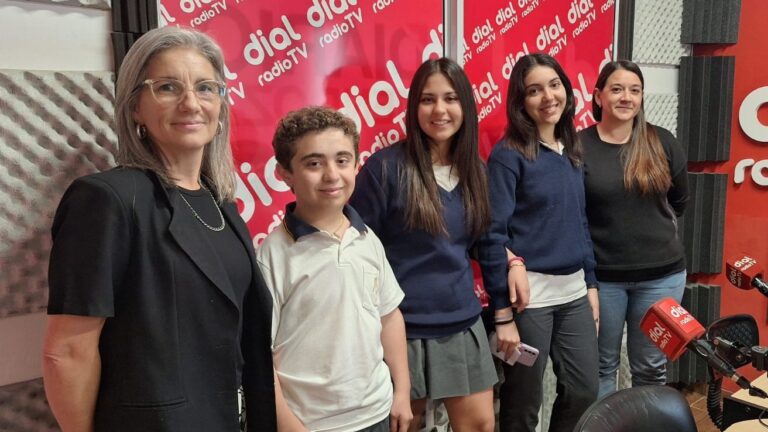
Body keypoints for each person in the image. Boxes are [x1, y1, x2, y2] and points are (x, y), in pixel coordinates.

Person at [42, 27, 276, 431]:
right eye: (167, 87)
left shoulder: (222, 205)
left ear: (221, 106)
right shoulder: (106, 199)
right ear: (135, 107)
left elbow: (248, 352)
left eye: (206, 88)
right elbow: (66, 352)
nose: (190, 103)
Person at [350, 58, 496, 432]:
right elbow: (358, 250)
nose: (440, 110)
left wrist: (511, 270)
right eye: (428, 100)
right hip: (402, 329)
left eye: (450, 98)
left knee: (480, 424)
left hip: (461, 322)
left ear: (465, 106)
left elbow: (485, 241)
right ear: (414, 107)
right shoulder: (385, 169)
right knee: (404, 425)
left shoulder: (476, 171)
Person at [258, 106, 412, 432]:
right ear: (285, 172)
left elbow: (389, 316)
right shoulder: (272, 256)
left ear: (356, 165)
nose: (331, 174)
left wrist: (401, 392)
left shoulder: (367, 239)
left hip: (376, 412)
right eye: (314, 163)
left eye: (342, 160)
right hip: (311, 423)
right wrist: (288, 425)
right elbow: (260, 355)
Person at [478, 53, 599, 432]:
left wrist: (591, 284)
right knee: (523, 402)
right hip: (528, 302)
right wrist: (503, 315)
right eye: (534, 90)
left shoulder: (571, 148)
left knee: (584, 391)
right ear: (521, 101)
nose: (548, 96)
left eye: (554, 84)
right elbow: (491, 235)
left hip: (575, 294)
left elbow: (580, 221)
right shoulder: (509, 156)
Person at [580, 60, 688, 399]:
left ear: (641, 97)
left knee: (651, 368)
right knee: (601, 367)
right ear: (598, 96)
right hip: (602, 281)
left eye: (634, 90)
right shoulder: (577, 145)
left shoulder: (662, 142)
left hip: (662, 278)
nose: (626, 97)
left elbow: (680, 201)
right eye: (616, 89)